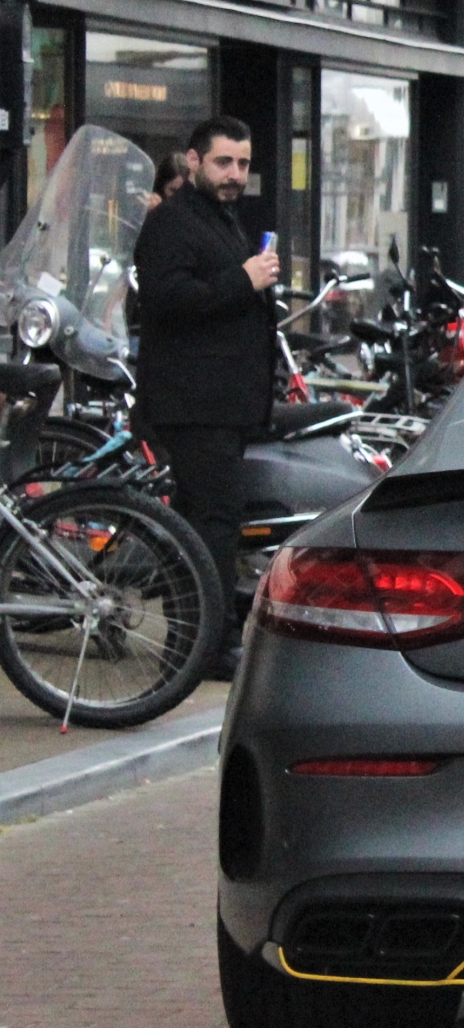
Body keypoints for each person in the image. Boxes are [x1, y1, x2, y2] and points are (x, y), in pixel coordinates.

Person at [132, 116, 279, 680]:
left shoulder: (225, 219)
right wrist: (243, 280)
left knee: (211, 523)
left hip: (225, 404)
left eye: (242, 164)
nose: (234, 174)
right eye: (223, 162)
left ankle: (197, 641)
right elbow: (167, 301)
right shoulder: (171, 223)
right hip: (194, 405)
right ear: (193, 161)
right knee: (210, 525)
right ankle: (207, 646)